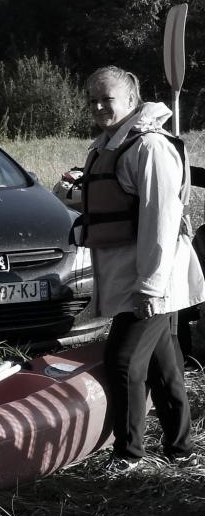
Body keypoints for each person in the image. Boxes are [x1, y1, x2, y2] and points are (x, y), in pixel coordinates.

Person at [78, 65, 204, 472]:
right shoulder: (107, 145)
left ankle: (128, 455)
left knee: (122, 359)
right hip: (137, 278)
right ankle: (181, 450)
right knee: (162, 363)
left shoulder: (149, 148)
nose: (98, 106)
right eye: (92, 99)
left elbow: (161, 221)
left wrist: (151, 287)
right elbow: (115, 207)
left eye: (107, 99)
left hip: (152, 280)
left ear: (131, 101)